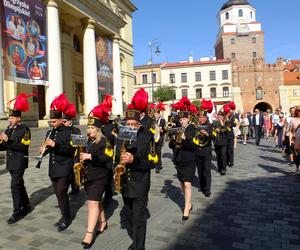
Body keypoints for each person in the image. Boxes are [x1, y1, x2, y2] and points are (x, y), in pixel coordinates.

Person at [121, 108, 155, 250]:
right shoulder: (121, 136)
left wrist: (133, 160)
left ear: (139, 124)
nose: (130, 127)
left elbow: (152, 162)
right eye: (128, 124)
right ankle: (136, 241)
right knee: (129, 216)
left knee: (139, 219)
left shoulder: (147, 137)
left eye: (133, 124)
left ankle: (139, 247)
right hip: (124, 183)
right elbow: (115, 157)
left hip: (140, 183)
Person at [80, 104, 113, 248]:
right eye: (88, 128)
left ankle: (89, 233)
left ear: (98, 129)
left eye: (92, 128)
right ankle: (103, 222)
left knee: (92, 203)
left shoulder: (105, 141)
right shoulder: (88, 141)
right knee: (96, 201)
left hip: (100, 176)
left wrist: (90, 156)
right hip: (89, 176)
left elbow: (107, 158)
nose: (89, 130)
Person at [42, 94, 75, 231]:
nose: (52, 123)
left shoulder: (68, 132)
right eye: (50, 121)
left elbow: (70, 150)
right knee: (58, 194)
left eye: (54, 121)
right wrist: (43, 151)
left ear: (61, 120)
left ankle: (66, 218)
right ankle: (63, 215)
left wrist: (55, 145)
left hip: (65, 167)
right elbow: (49, 149)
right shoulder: (50, 132)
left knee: (61, 192)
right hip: (53, 168)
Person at [0, 93, 31, 224]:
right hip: (11, 161)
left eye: (12, 118)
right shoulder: (8, 129)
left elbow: (24, 146)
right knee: (19, 184)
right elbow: (4, 146)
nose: (10, 120)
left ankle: (17, 211)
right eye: (9, 117)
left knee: (14, 185)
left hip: (19, 161)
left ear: (18, 118)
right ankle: (27, 204)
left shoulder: (25, 129)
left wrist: (9, 140)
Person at [169, 97, 196, 221]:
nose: (182, 121)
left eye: (184, 119)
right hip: (179, 159)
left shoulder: (192, 129)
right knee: (181, 183)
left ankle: (186, 208)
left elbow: (192, 146)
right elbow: (170, 146)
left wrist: (185, 138)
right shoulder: (177, 129)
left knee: (187, 183)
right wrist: (173, 139)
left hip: (189, 159)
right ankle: (188, 203)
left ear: (188, 119)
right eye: (180, 119)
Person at [194, 99, 214, 197]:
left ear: (206, 118)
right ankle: (202, 186)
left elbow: (213, 137)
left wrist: (207, 134)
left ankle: (207, 189)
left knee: (207, 170)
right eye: (200, 117)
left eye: (203, 117)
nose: (201, 119)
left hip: (206, 151)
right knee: (200, 171)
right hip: (197, 151)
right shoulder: (195, 126)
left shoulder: (210, 126)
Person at [61, 103, 81, 196]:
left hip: (74, 154)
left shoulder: (75, 130)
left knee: (74, 172)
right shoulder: (61, 131)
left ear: (70, 122)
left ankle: (75, 187)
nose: (63, 123)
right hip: (65, 155)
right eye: (62, 122)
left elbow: (79, 144)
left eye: (64, 122)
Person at [213, 111, 228, 175]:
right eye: (218, 116)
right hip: (217, 141)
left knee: (223, 155)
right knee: (218, 156)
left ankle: (223, 169)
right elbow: (212, 129)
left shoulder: (226, 122)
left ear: (223, 117)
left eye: (221, 117)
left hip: (224, 141)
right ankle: (219, 168)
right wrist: (215, 130)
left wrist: (222, 123)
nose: (219, 118)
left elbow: (226, 131)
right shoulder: (215, 122)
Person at [153, 103, 166, 173]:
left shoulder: (162, 120)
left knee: (158, 151)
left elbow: (165, 129)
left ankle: (158, 165)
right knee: (154, 151)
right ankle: (156, 163)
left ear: (159, 114)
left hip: (160, 137)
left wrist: (162, 129)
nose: (155, 115)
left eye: (156, 114)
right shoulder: (153, 120)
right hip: (154, 137)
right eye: (155, 114)